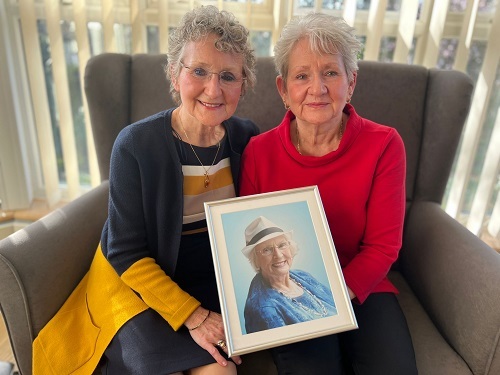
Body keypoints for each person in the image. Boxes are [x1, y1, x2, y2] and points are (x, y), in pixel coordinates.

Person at [32, 6, 259, 375]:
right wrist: (194, 316)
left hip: (207, 279)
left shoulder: (248, 139)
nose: (213, 89)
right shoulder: (135, 144)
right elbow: (125, 252)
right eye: (198, 71)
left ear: (243, 85)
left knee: (222, 372)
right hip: (138, 284)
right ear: (174, 73)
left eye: (228, 76)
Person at [239, 13, 418, 374]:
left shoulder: (384, 144)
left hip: (363, 283)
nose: (317, 88)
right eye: (302, 75)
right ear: (283, 89)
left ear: (351, 83)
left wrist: (334, 299)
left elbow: (384, 247)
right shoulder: (258, 152)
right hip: (286, 287)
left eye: (330, 73)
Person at [241, 216, 337, 334]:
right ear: (256, 260)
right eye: (267, 250)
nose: (279, 255)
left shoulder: (302, 276)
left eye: (282, 245)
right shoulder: (263, 309)